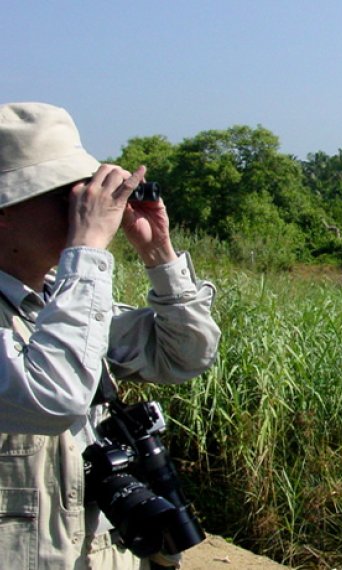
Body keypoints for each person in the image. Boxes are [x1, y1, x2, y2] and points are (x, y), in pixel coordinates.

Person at [0, 102, 221, 569]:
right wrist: (85, 251)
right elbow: (53, 397)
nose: (87, 207)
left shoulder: (60, 304)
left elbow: (184, 356)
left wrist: (158, 252)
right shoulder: (70, 299)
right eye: (67, 195)